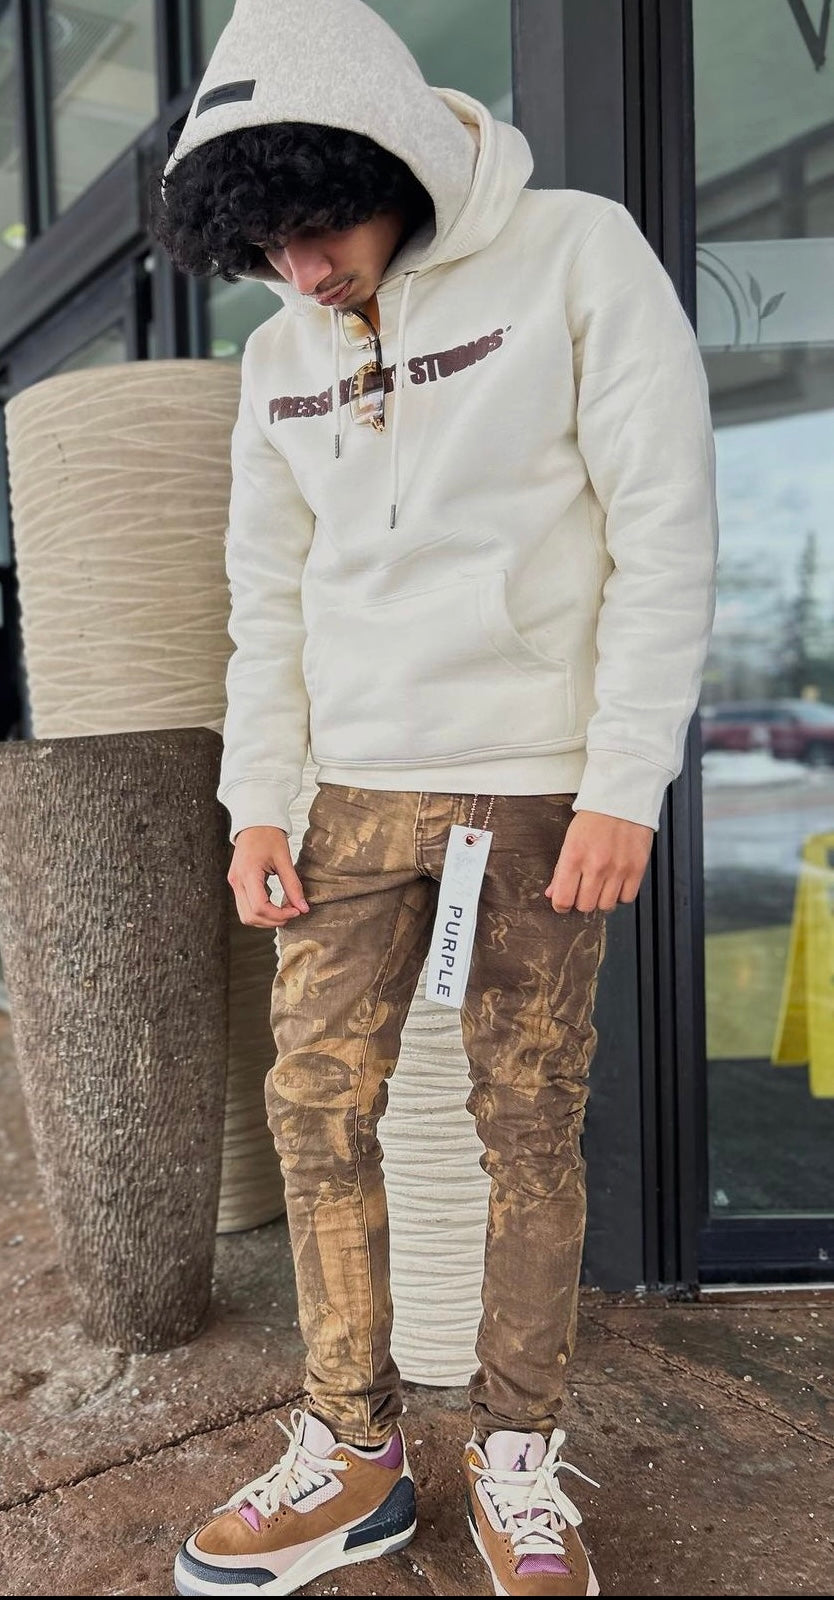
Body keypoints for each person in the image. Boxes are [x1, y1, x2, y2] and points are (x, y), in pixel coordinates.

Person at [151, 0, 718, 1593]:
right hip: (346, 796)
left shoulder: (576, 254)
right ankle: (355, 1454)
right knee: (314, 1112)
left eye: (317, 225)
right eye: (261, 249)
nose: (299, 271)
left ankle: (518, 1461)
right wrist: (258, 804)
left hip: (534, 790)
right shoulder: (279, 353)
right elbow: (268, 598)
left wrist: (624, 778)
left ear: (384, 160)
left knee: (526, 1123)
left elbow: (662, 524)